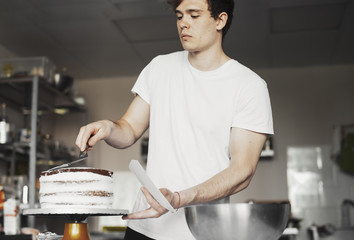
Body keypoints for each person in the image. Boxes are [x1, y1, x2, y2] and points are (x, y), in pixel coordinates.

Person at [75, 0, 273, 239]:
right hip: (145, 227)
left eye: (194, 15)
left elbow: (242, 171)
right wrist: (107, 127)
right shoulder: (159, 68)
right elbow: (127, 129)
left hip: (202, 232)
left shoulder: (249, 86)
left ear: (220, 20)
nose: (184, 24)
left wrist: (179, 198)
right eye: (180, 16)